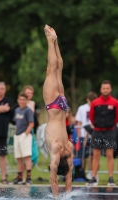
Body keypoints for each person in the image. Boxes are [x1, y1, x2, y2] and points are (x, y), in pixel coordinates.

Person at [43, 24, 73, 199]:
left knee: (58, 70)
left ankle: (54, 41)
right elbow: (55, 180)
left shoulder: (67, 149)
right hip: (54, 108)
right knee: (52, 70)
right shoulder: (56, 149)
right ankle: (50, 40)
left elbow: (67, 178)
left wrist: (66, 195)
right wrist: (59, 198)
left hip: (61, 107)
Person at [89, 80, 118, 186]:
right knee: (96, 155)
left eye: (107, 88)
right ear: (101, 89)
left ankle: (111, 178)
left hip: (110, 131)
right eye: (103, 88)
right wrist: (97, 125)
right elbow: (91, 117)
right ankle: (93, 178)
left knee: (109, 155)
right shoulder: (95, 102)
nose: (105, 90)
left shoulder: (115, 102)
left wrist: (110, 125)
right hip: (97, 131)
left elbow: (117, 117)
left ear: (110, 89)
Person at [12, 92, 34, 185]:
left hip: (24, 135)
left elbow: (31, 123)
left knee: (26, 156)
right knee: (19, 157)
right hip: (17, 135)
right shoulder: (17, 110)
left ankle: (28, 177)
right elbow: (17, 123)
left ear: (26, 100)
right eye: (20, 99)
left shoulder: (28, 110)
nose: (21, 101)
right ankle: (20, 177)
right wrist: (15, 132)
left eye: (23, 99)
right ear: (18, 100)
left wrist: (25, 134)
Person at [75, 92, 97, 171]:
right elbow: (79, 122)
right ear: (87, 100)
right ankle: (82, 172)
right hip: (83, 135)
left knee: (92, 155)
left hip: (93, 134)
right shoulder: (82, 108)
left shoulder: (96, 107)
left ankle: (91, 172)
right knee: (82, 156)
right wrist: (79, 134)